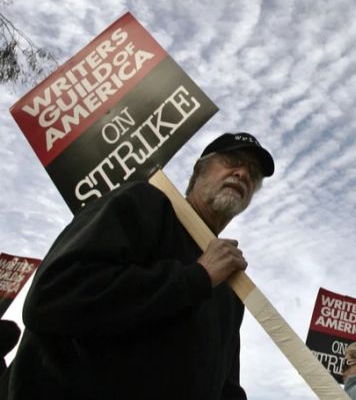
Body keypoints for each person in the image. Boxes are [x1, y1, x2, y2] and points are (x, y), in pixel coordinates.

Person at [0, 132, 275, 400]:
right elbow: (52, 297)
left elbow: (224, 384)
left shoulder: (231, 286)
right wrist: (197, 277)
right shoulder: (143, 203)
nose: (243, 174)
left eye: (253, 173)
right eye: (232, 161)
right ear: (199, 169)